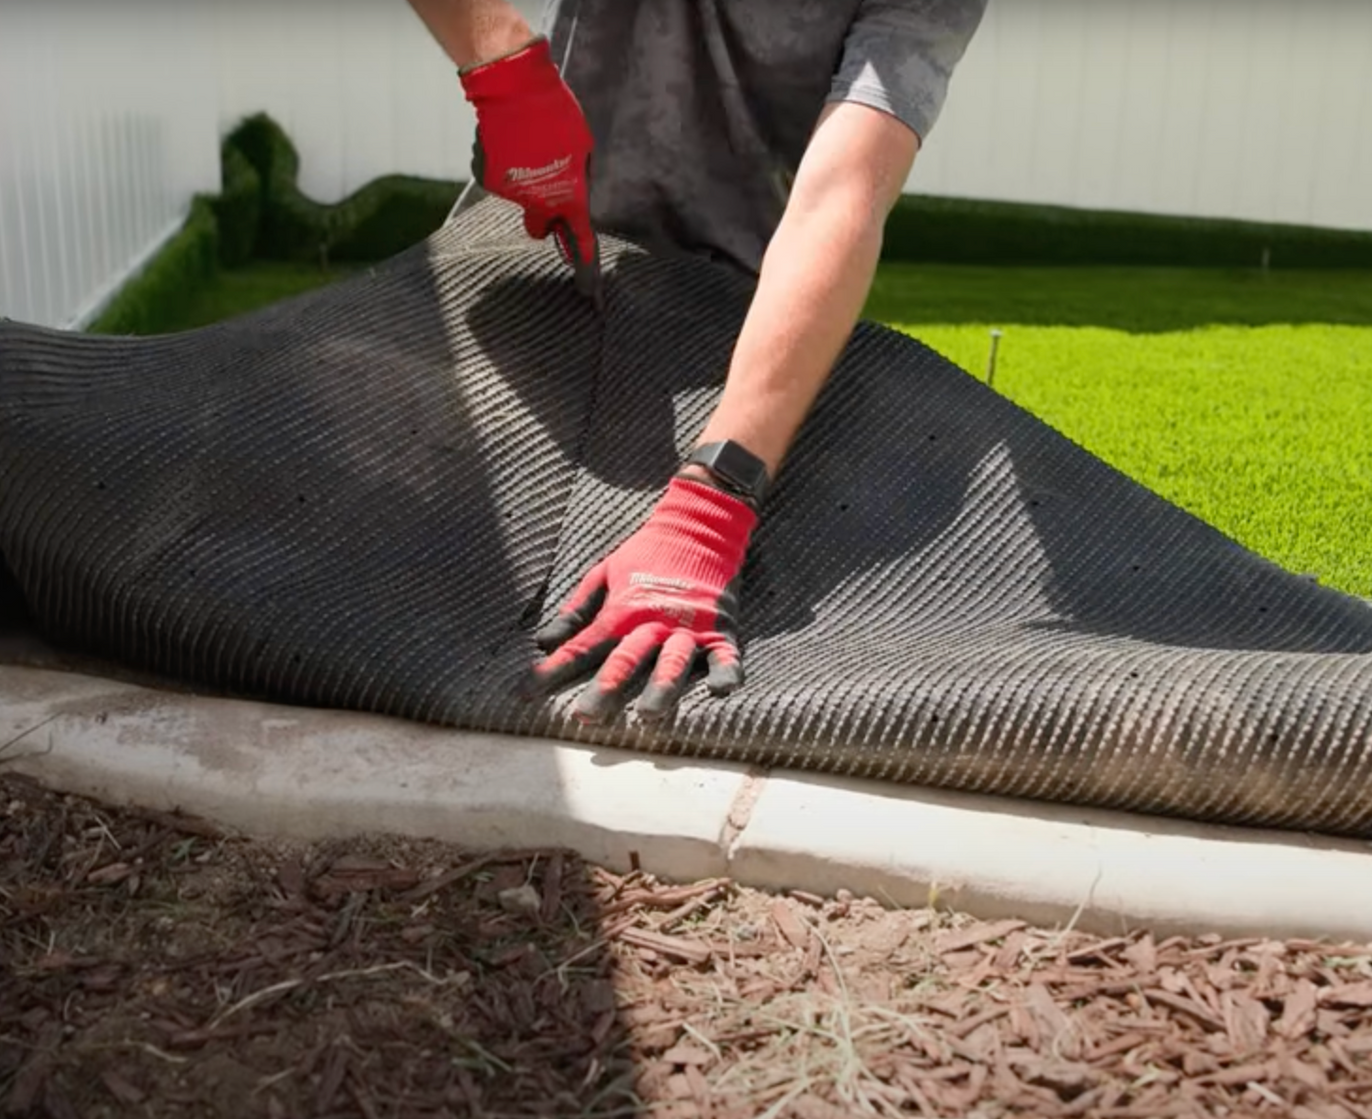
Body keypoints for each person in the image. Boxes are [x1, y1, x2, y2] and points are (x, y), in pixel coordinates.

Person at [405, 0, 987, 721]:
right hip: (531, 243)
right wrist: (501, 63)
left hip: (735, 315)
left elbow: (846, 189)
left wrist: (710, 508)